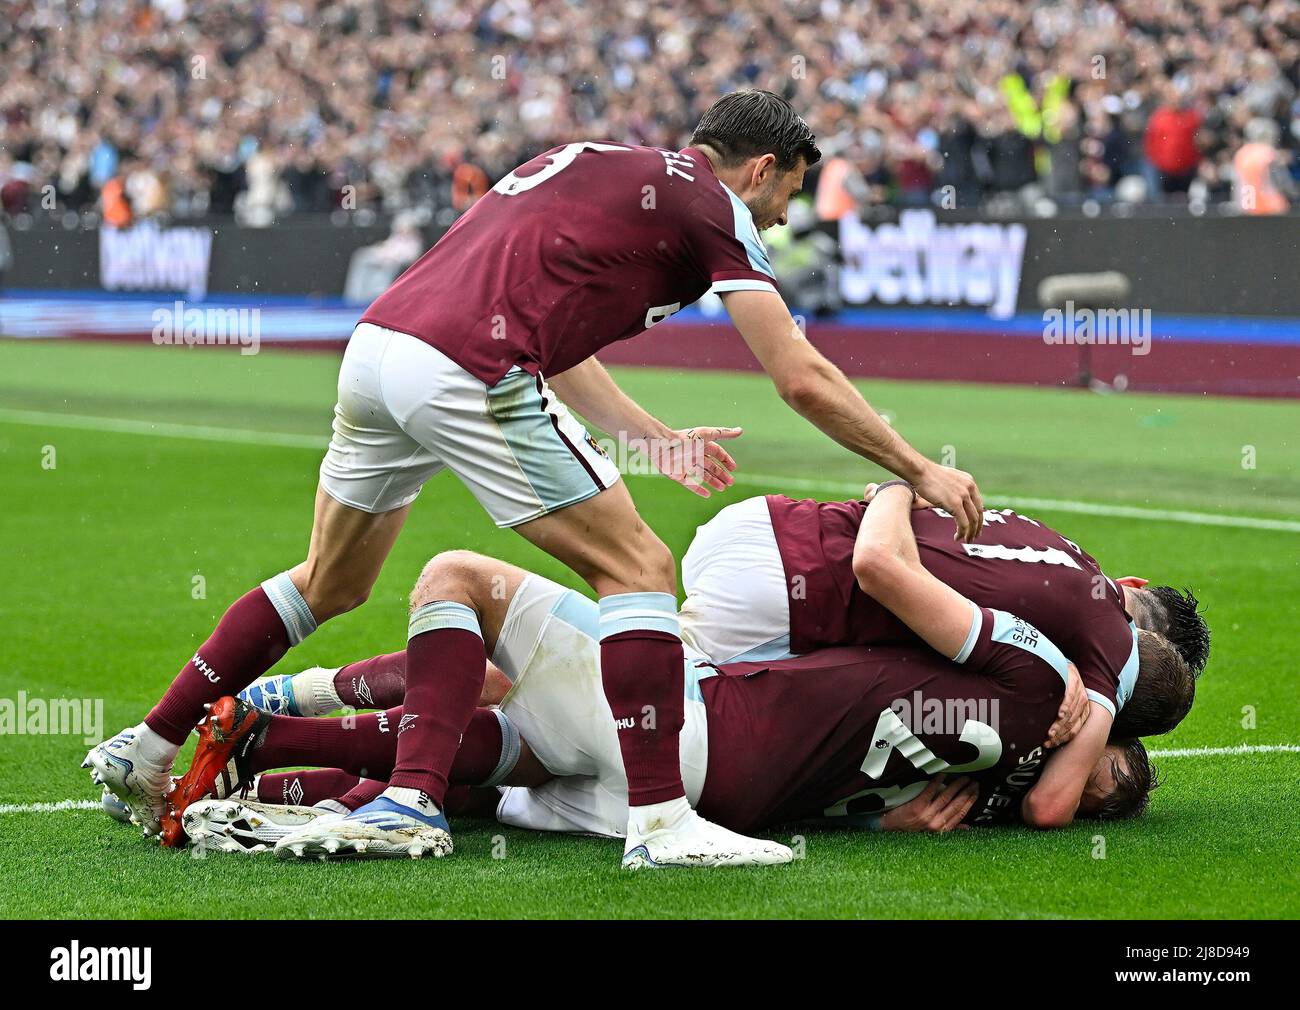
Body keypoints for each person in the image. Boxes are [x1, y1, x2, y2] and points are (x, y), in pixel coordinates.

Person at [86, 90, 984, 869]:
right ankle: (663, 821)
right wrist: (915, 467)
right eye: (788, 192)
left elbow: (558, 336)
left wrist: (650, 437)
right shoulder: (715, 206)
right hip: (469, 364)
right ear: (760, 168)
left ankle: (152, 744)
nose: (785, 217)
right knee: (637, 564)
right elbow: (798, 374)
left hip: (380, 350)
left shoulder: (590, 162)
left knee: (333, 582)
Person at [162, 546, 1156, 860]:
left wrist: (902, 477)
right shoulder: (972, 783)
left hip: (690, 734)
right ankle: (275, 751)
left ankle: (394, 792)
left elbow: (882, 564)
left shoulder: (1028, 671)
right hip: (721, 798)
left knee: (457, 578)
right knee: (513, 747)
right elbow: (1041, 798)